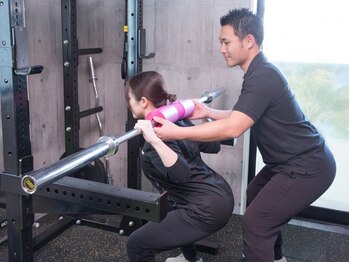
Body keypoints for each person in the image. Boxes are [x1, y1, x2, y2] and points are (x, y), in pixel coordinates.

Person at [153, 8, 336, 262]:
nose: (222, 49)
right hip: (290, 163)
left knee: (256, 222)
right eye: (221, 42)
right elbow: (243, 113)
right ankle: (275, 257)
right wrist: (208, 111)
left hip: (307, 167)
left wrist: (176, 132)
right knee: (256, 193)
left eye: (226, 42)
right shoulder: (259, 72)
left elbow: (235, 127)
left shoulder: (262, 76)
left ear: (248, 40)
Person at [124, 71, 235, 262]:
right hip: (219, 195)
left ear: (143, 101)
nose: (128, 103)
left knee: (136, 244)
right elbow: (214, 146)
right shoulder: (177, 120)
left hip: (205, 208)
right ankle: (190, 259)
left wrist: (154, 141)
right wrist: (205, 117)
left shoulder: (158, 135)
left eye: (129, 98)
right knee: (173, 208)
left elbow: (181, 174)